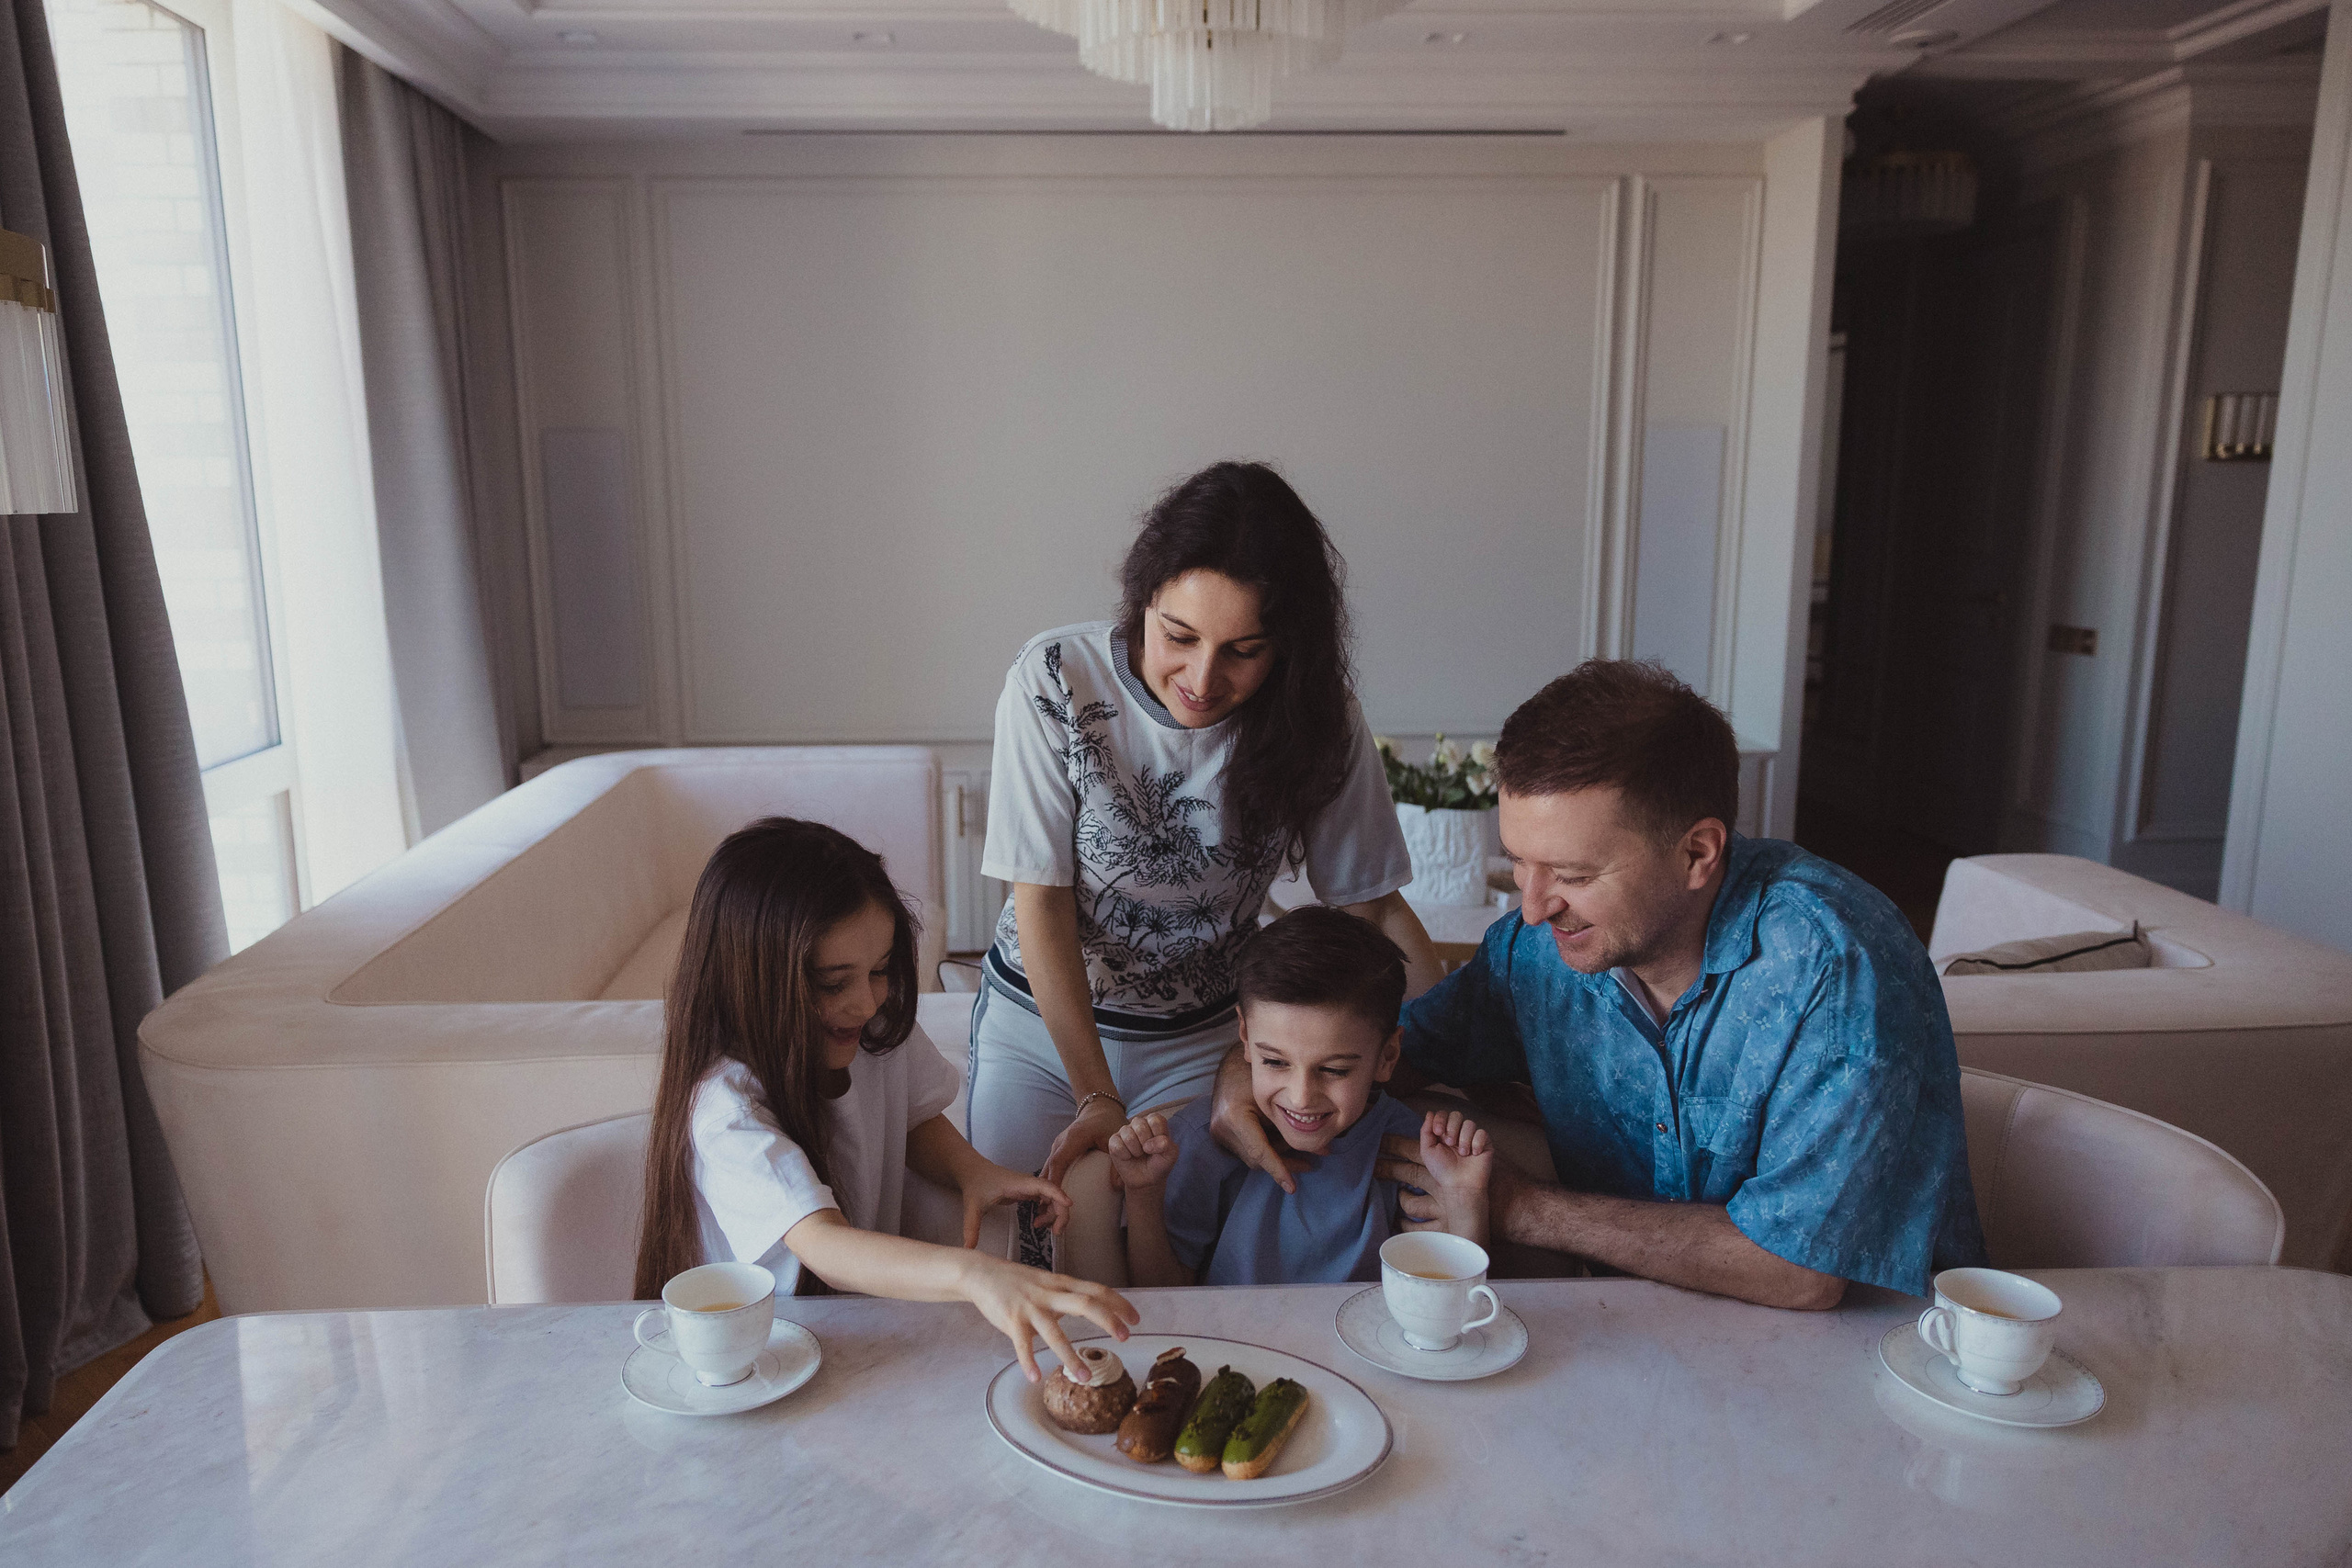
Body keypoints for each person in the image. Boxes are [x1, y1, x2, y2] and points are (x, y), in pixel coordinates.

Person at [1208, 660, 1987, 1309]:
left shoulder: (1834, 966)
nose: (1535, 904)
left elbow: (1802, 1268)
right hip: (1631, 1337)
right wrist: (1244, 1074)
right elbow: (1381, 1043)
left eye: (1574, 874)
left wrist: (1524, 1207)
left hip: (1875, 1364)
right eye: (1519, 862)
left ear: (1698, 853)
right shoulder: (1538, 954)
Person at [967, 462, 1442, 1252]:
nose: (1202, 678)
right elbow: (1040, 899)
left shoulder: (1318, 715)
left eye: (1243, 651)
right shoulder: (1053, 678)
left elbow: (1369, 905)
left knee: (1173, 1259)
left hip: (1199, 1037)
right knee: (1016, 1245)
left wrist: (1442, 1054)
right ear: (1141, 602)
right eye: (1178, 636)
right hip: (1041, 1028)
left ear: (1286, 647)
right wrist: (1094, 1093)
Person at [634, 817, 1138, 1382]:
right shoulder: (725, 1109)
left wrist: (971, 1170)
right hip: (756, 1359)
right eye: (833, 983)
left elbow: (913, 1116)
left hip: (853, 1331)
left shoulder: (870, 1029)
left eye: (879, 971)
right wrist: (972, 1275)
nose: (867, 1001)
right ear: (752, 980)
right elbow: (823, 1244)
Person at [1107, 908, 1494, 1287]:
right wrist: (1144, 1193)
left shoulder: (1419, 1148)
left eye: (1335, 1069)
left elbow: (1450, 1307)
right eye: (1275, 1061)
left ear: (1388, 1056)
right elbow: (1161, 1295)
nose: (1302, 1097)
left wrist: (1465, 1203)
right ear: (1244, 1036)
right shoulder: (1197, 1140)